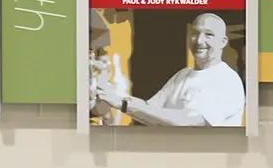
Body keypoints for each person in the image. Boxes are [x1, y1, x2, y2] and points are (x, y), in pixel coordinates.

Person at [95, 13, 244, 128]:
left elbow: (185, 122)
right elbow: (149, 111)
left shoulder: (226, 81)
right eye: (195, 33)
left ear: (223, 42)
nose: (199, 40)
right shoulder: (183, 74)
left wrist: (122, 103)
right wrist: (108, 95)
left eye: (208, 34)